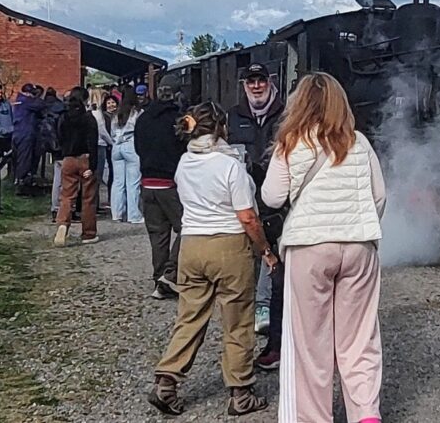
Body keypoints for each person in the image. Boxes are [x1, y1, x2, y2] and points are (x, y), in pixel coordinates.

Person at [261, 72, 386, 423]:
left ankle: (314, 418)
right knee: (360, 338)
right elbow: (379, 197)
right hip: (359, 247)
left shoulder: (291, 141)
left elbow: (271, 197)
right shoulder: (359, 142)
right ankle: (366, 415)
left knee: (310, 343)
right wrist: (358, 225)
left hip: (309, 247)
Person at [147, 102, 277, 416]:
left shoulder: (184, 162)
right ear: (220, 128)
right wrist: (265, 250)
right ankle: (241, 392)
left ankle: (167, 381)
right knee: (237, 320)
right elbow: (247, 217)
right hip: (228, 245)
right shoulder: (230, 166)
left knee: (190, 317)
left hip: (191, 245)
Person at [227, 63, 285, 365]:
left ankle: (263, 307)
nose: (257, 85)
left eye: (261, 80)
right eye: (251, 81)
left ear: (269, 82)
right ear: (244, 85)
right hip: (243, 192)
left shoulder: (284, 113)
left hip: (275, 192)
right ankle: (244, 305)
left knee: (269, 249)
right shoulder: (234, 115)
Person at [134, 84, 186, 299]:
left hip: (147, 183)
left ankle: (159, 280)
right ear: (177, 95)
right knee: (189, 227)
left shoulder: (143, 118)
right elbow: (184, 148)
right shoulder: (179, 120)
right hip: (170, 183)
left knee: (158, 235)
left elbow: (138, 148)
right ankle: (170, 274)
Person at [52, 87, 100, 247]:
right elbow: (93, 143)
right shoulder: (89, 119)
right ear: (85, 100)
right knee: (88, 198)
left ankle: (62, 225)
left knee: (66, 196)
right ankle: (88, 234)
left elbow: (59, 137)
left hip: (68, 159)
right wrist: (92, 166)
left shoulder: (64, 117)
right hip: (85, 159)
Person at [110, 94, 144, 223]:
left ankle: (117, 214)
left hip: (116, 146)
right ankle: (134, 215)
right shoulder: (137, 113)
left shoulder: (116, 114)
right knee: (133, 183)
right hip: (131, 145)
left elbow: (112, 132)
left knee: (118, 182)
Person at [12, 83, 46, 195]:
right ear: (27, 93)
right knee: (25, 159)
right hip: (25, 134)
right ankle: (22, 185)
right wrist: (38, 97)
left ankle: (23, 181)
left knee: (23, 158)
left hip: (20, 132)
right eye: (32, 93)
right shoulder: (26, 101)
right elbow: (41, 105)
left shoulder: (20, 101)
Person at [93, 95, 117, 209]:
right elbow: (104, 132)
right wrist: (111, 142)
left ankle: (111, 199)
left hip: (112, 146)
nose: (111, 105)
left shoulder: (119, 115)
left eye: (113, 102)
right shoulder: (104, 117)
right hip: (107, 146)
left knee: (112, 173)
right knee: (101, 173)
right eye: (108, 103)